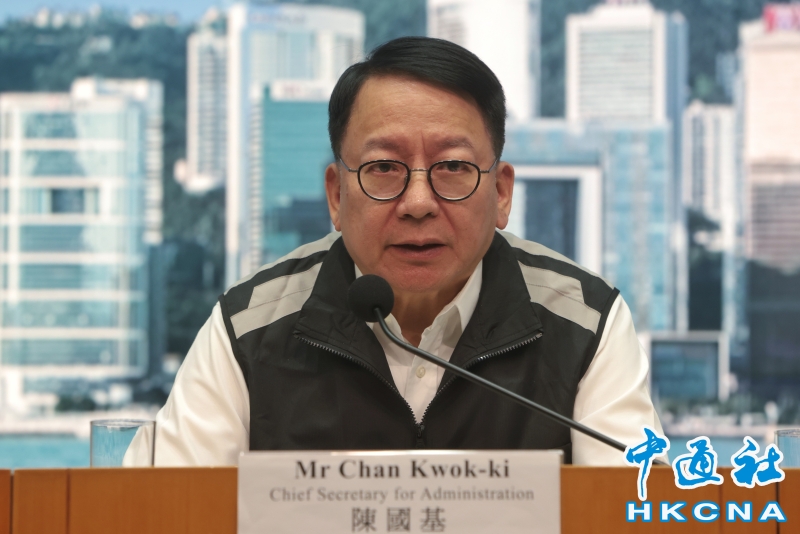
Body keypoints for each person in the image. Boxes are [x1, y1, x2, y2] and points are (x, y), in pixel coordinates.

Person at [135, 36, 662, 466]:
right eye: (384, 167)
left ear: (502, 193)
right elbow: (160, 510)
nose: (418, 203)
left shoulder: (586, 323)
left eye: (452, 167)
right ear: (336, 195)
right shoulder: (249, 328)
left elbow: (636, 507)